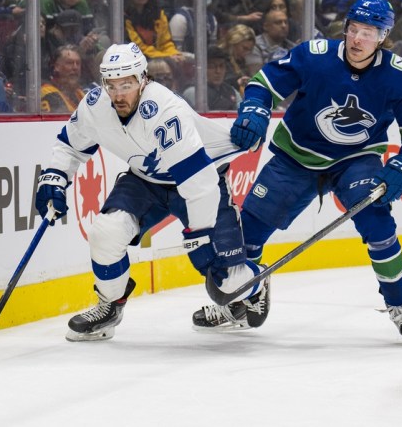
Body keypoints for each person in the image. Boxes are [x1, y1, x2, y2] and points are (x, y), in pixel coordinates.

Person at [226, 0, 402, 342]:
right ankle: (243, 294)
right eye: (353, 30)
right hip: (296, 155)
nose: (357, 40)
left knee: (378, 222)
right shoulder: (316, 55)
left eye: (368, 33)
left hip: (357, 159)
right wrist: (254, 109)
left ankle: (400, 305)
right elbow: (264, 83)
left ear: (383, 37)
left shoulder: (399, 74)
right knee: (247, 234)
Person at [35, 42, 270, 341]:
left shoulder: (164, 110)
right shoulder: (95, 104)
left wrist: (198, 236)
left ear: (143, 79)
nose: (119, 94)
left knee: (227, 283)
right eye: (112, 85)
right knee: (105, 233)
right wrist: (54, 177)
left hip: (200, 182)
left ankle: (256, 282)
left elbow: (198, 183)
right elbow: (70, 144)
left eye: (127, 84)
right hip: (145, 181)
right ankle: (109, 305)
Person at [182, 45, 241, 111]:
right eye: (212, 66)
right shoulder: (194, 92)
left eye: (221, 66)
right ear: (202, 68)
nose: (218, 71)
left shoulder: (232, 91)